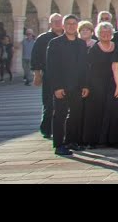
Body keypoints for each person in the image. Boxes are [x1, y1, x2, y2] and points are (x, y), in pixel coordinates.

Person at [47, 15, 88, 156]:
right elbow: (52, 67)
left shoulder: (81, 44)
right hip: (62, 85)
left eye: (74, 24)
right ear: (63, 26)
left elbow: (84, 66)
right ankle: (59, 144)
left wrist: (85, 85)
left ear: (77, 26)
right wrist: (56, 87)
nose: (71, 26)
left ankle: (72, 141)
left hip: (77, 86)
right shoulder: (55, 43)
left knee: (76, 115)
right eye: (68, 24)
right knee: (60, 115)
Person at [33, 13, 64, 136]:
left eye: (59, 21)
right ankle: (46, 129)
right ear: (50, 24)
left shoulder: (69, 36)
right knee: (48, 103)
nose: (57, 23)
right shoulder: (43, 38)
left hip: (66, 75)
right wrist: (37, 74)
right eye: (54, 21)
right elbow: (35, 57)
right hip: (49, 74)